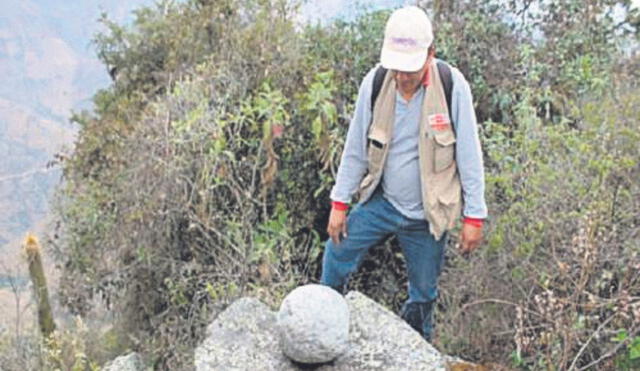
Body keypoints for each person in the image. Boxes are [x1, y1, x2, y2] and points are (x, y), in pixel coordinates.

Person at [320, 6, 487, 342]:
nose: (403, 76)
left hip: (428, 214)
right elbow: (355, 148)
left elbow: (469, 154)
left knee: (424, 292)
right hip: (382, 202)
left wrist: (474, 216)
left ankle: (418, 348)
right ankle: (324, 324)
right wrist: (340, 202)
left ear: (430, 54)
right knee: (336, 254)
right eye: (397, 67)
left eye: (410, 68)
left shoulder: (452, 86)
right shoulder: (377, 81)